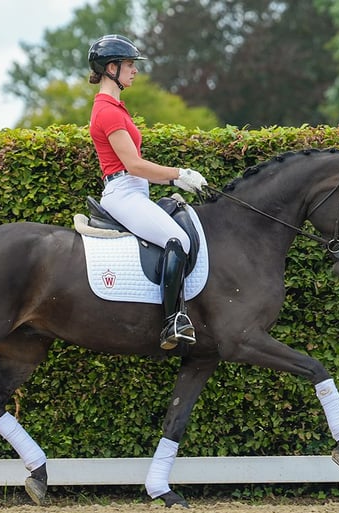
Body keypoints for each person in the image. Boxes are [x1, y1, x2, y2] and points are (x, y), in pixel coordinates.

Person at [87, 34, 208, 351]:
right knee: (178, 240)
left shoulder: (115, 107)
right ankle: (173, 321)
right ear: (111, 67)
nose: (134, 70)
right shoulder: (108, 111)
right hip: (124, 192)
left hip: (133, 191)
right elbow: (134, 165)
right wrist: (178, 175)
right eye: (129, 64)